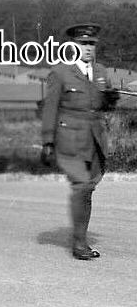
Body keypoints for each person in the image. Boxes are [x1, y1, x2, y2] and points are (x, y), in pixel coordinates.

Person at [41, 23, 119, 260]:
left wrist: (111, 99)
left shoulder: (101, 71)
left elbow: (103, 104)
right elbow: (50, 108)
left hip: (95, 138)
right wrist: (47, 142)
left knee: (88, 188)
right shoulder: (60, 72)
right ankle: (79, 244)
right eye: (83, 44)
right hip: (70, 139)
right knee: (82, 187)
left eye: (91, 44)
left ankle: (80, 239)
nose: (88, 48)